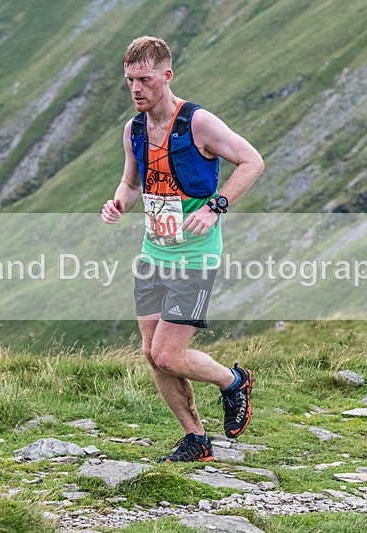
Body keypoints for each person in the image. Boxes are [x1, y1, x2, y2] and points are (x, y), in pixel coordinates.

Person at [101, 36, 264, 462]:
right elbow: (132, 184)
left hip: (194, 256)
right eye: (130, 80)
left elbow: (252, 161)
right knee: (152, 355)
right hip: (153, 253)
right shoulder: (133, 129)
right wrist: (119, 202)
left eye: (145, 79)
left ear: (167, 76)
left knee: (168, 353)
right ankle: (196, 438)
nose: (137, 89)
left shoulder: (198, 122)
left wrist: (217, 205)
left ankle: (233, 381)